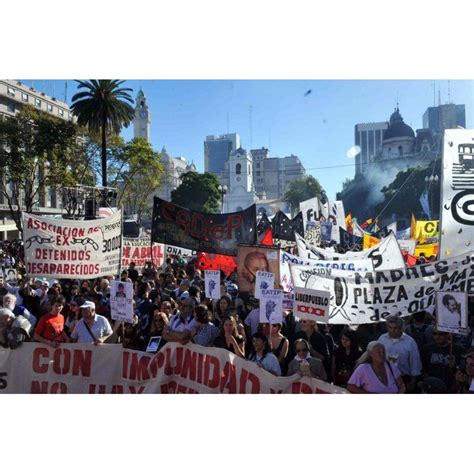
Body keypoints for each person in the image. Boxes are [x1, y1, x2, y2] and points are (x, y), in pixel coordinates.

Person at [377, 315, 422, 392]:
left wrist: (412, 382)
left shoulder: (410, 342)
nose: (392, 330)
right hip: (385, 377)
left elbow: (415, 363)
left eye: (395, 328)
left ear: (401, 328)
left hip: (404, 378)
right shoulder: (382, 339)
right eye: (390, 328)